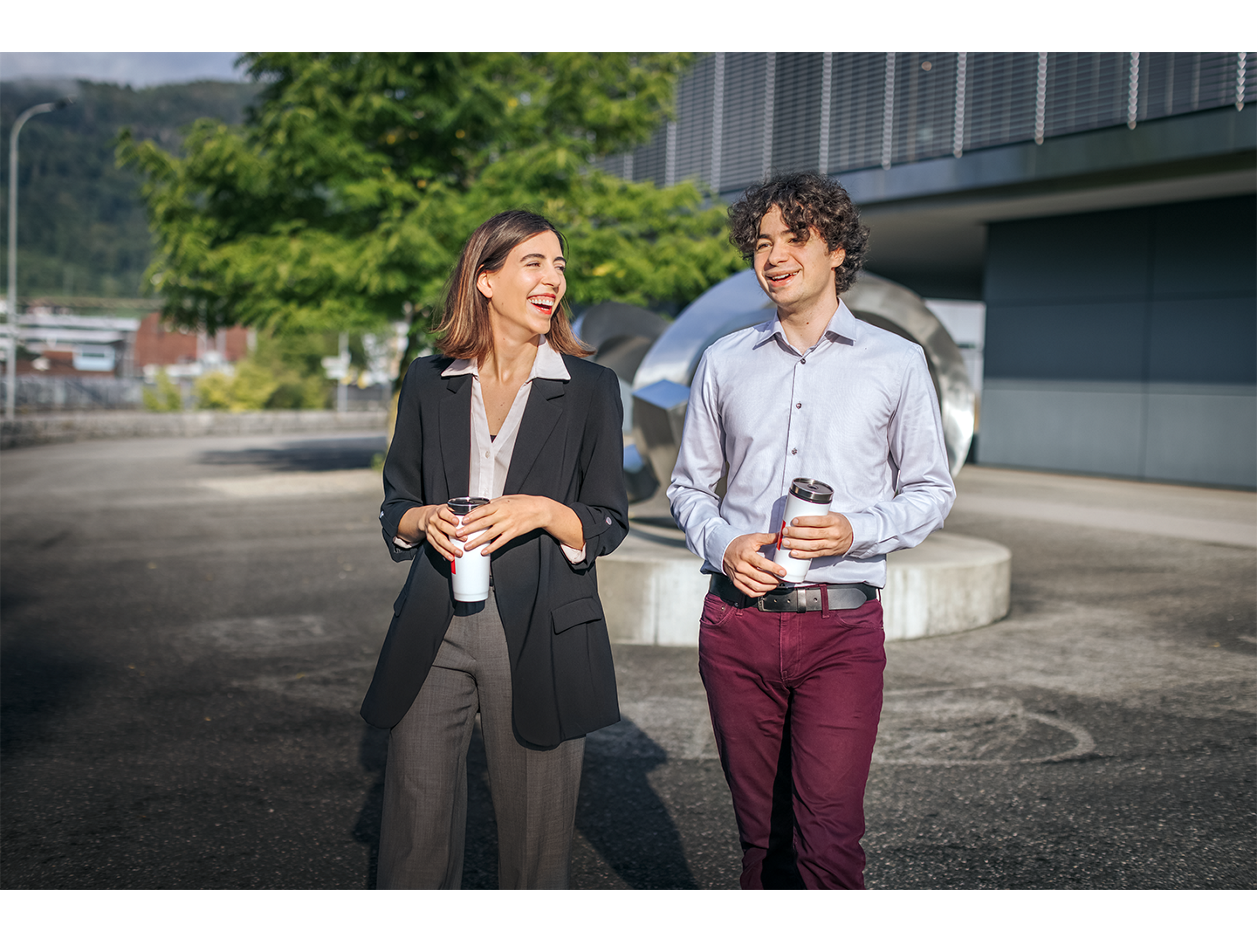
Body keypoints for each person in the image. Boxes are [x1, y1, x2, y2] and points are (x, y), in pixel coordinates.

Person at [668, 172, 956, 889]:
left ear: (835, 251)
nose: (774, 255)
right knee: (761, 841)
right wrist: (721, 544)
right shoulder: (724, 361)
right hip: (734, 627)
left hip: (840, 633)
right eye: (761, 242)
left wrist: (854, 530)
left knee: (828, 842)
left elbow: (931, 491)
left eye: (795, 237)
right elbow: (686, 486)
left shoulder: (896, 362)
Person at [361, 209, 629, 889]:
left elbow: (606, 520)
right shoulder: (428, 381)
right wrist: (423, 521)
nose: (552, 280)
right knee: (412, 835)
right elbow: (396, 506)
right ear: (485, 279)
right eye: (532, 263)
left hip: (541, 627)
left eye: (559, 265)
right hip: (432, 622)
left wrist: (541, 511)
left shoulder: (591, 389)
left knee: (536, 848)